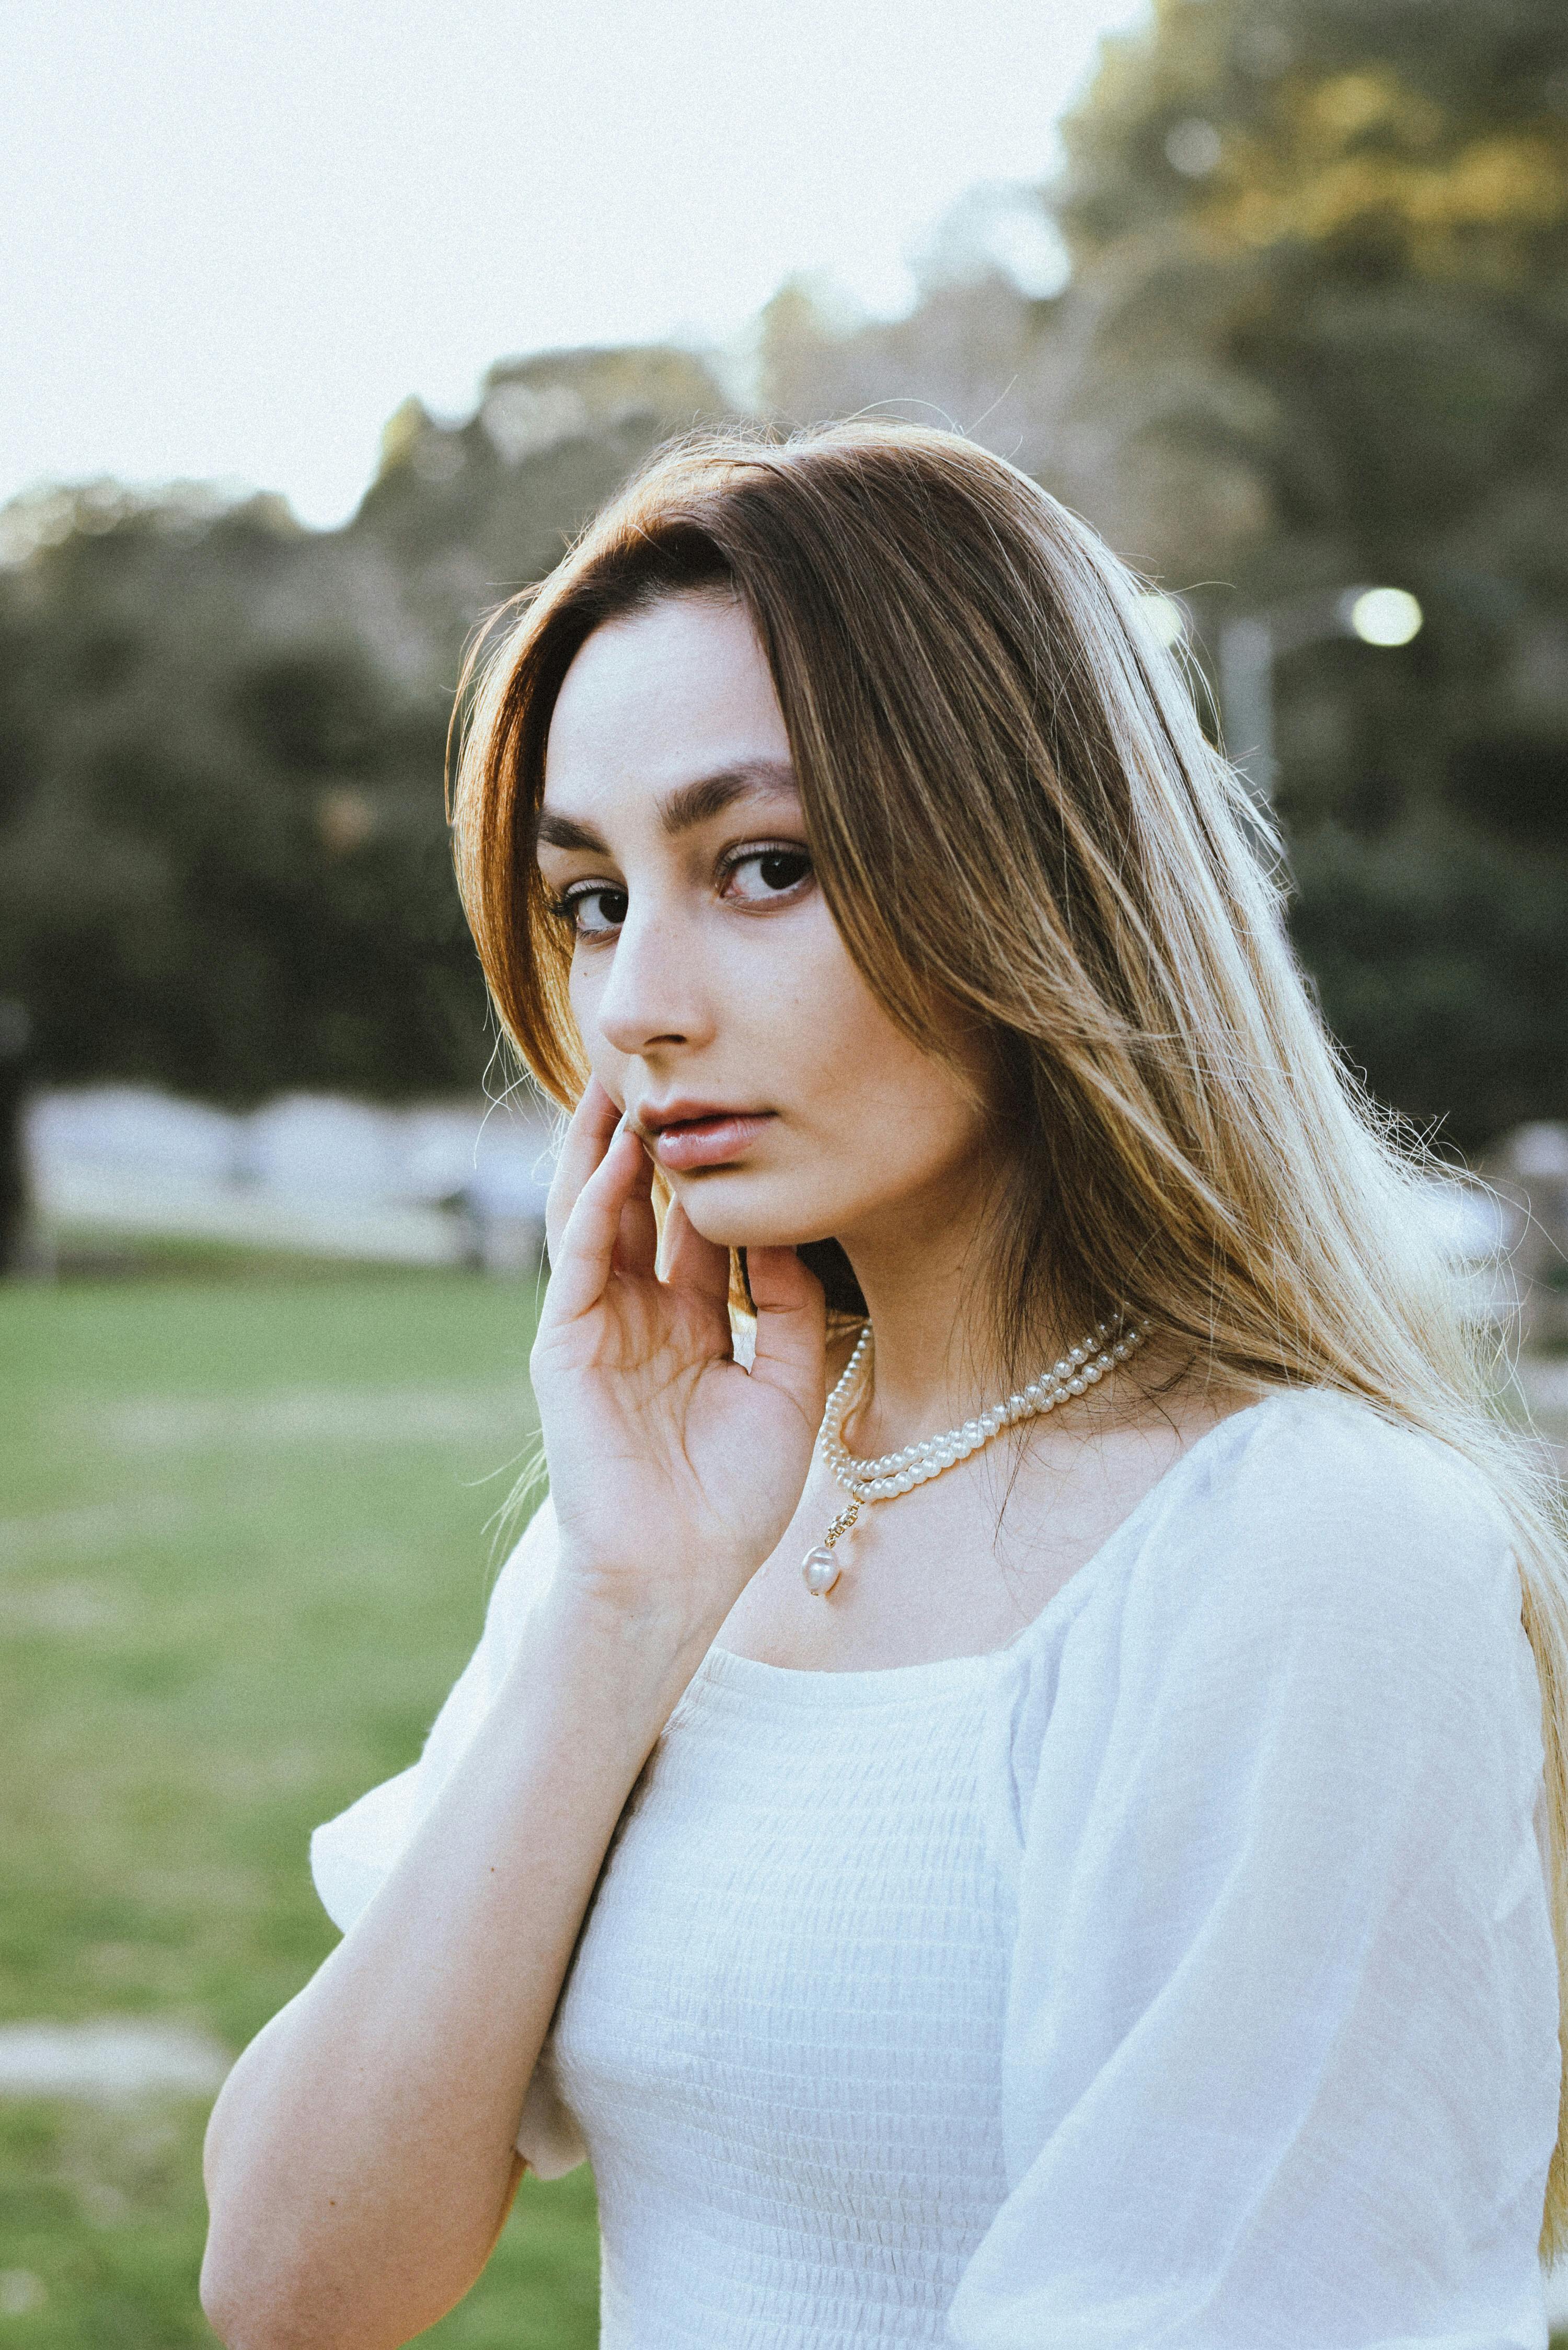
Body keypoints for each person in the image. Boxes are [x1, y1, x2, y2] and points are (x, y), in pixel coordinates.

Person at [199, 424, 1568, 2350]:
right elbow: (288, 2283)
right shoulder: (683, 1517)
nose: (635, 1003)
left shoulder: (1309, 1557)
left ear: (1034, 870)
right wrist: (625, 1600)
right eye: (592, 899)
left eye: (762, 868)